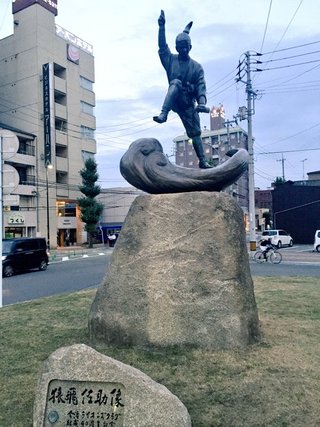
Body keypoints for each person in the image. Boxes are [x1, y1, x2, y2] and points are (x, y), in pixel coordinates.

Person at [153, 10, 211, 169]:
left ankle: (202, 161)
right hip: (174, 98)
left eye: (184, 47)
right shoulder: (171, 60)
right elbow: (162, 47)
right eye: (179, 47)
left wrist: (201, 102)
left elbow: (201, 86)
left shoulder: (197, 67)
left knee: (195, 133)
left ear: (190, 47)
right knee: (176, 83)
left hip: (187, 104)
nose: (182, 50)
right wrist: (161, 27)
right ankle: (163, 113)